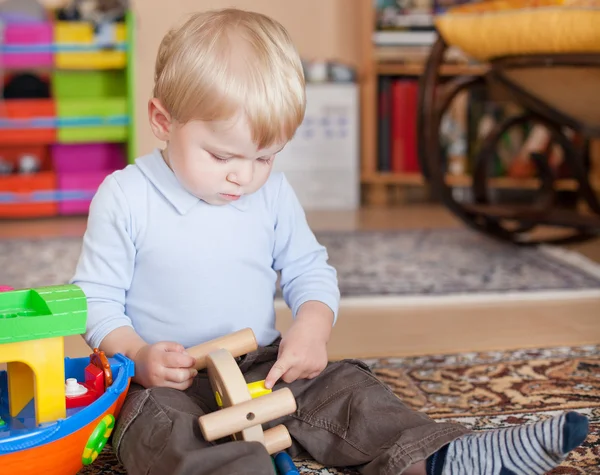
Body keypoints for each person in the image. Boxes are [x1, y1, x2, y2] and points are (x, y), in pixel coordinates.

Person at [70, 8, 589, 475]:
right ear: (163, 121)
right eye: (222, 156)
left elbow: (308, 270)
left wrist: (313, 328)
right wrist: (136, 353)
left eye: (265, 156)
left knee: (347, 390)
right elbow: (94, 300)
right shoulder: (126, 196)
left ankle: (440, 457)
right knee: (156, 431)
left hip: (259, 367)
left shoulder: (270, 192)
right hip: (164, 381)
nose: (244, 177)